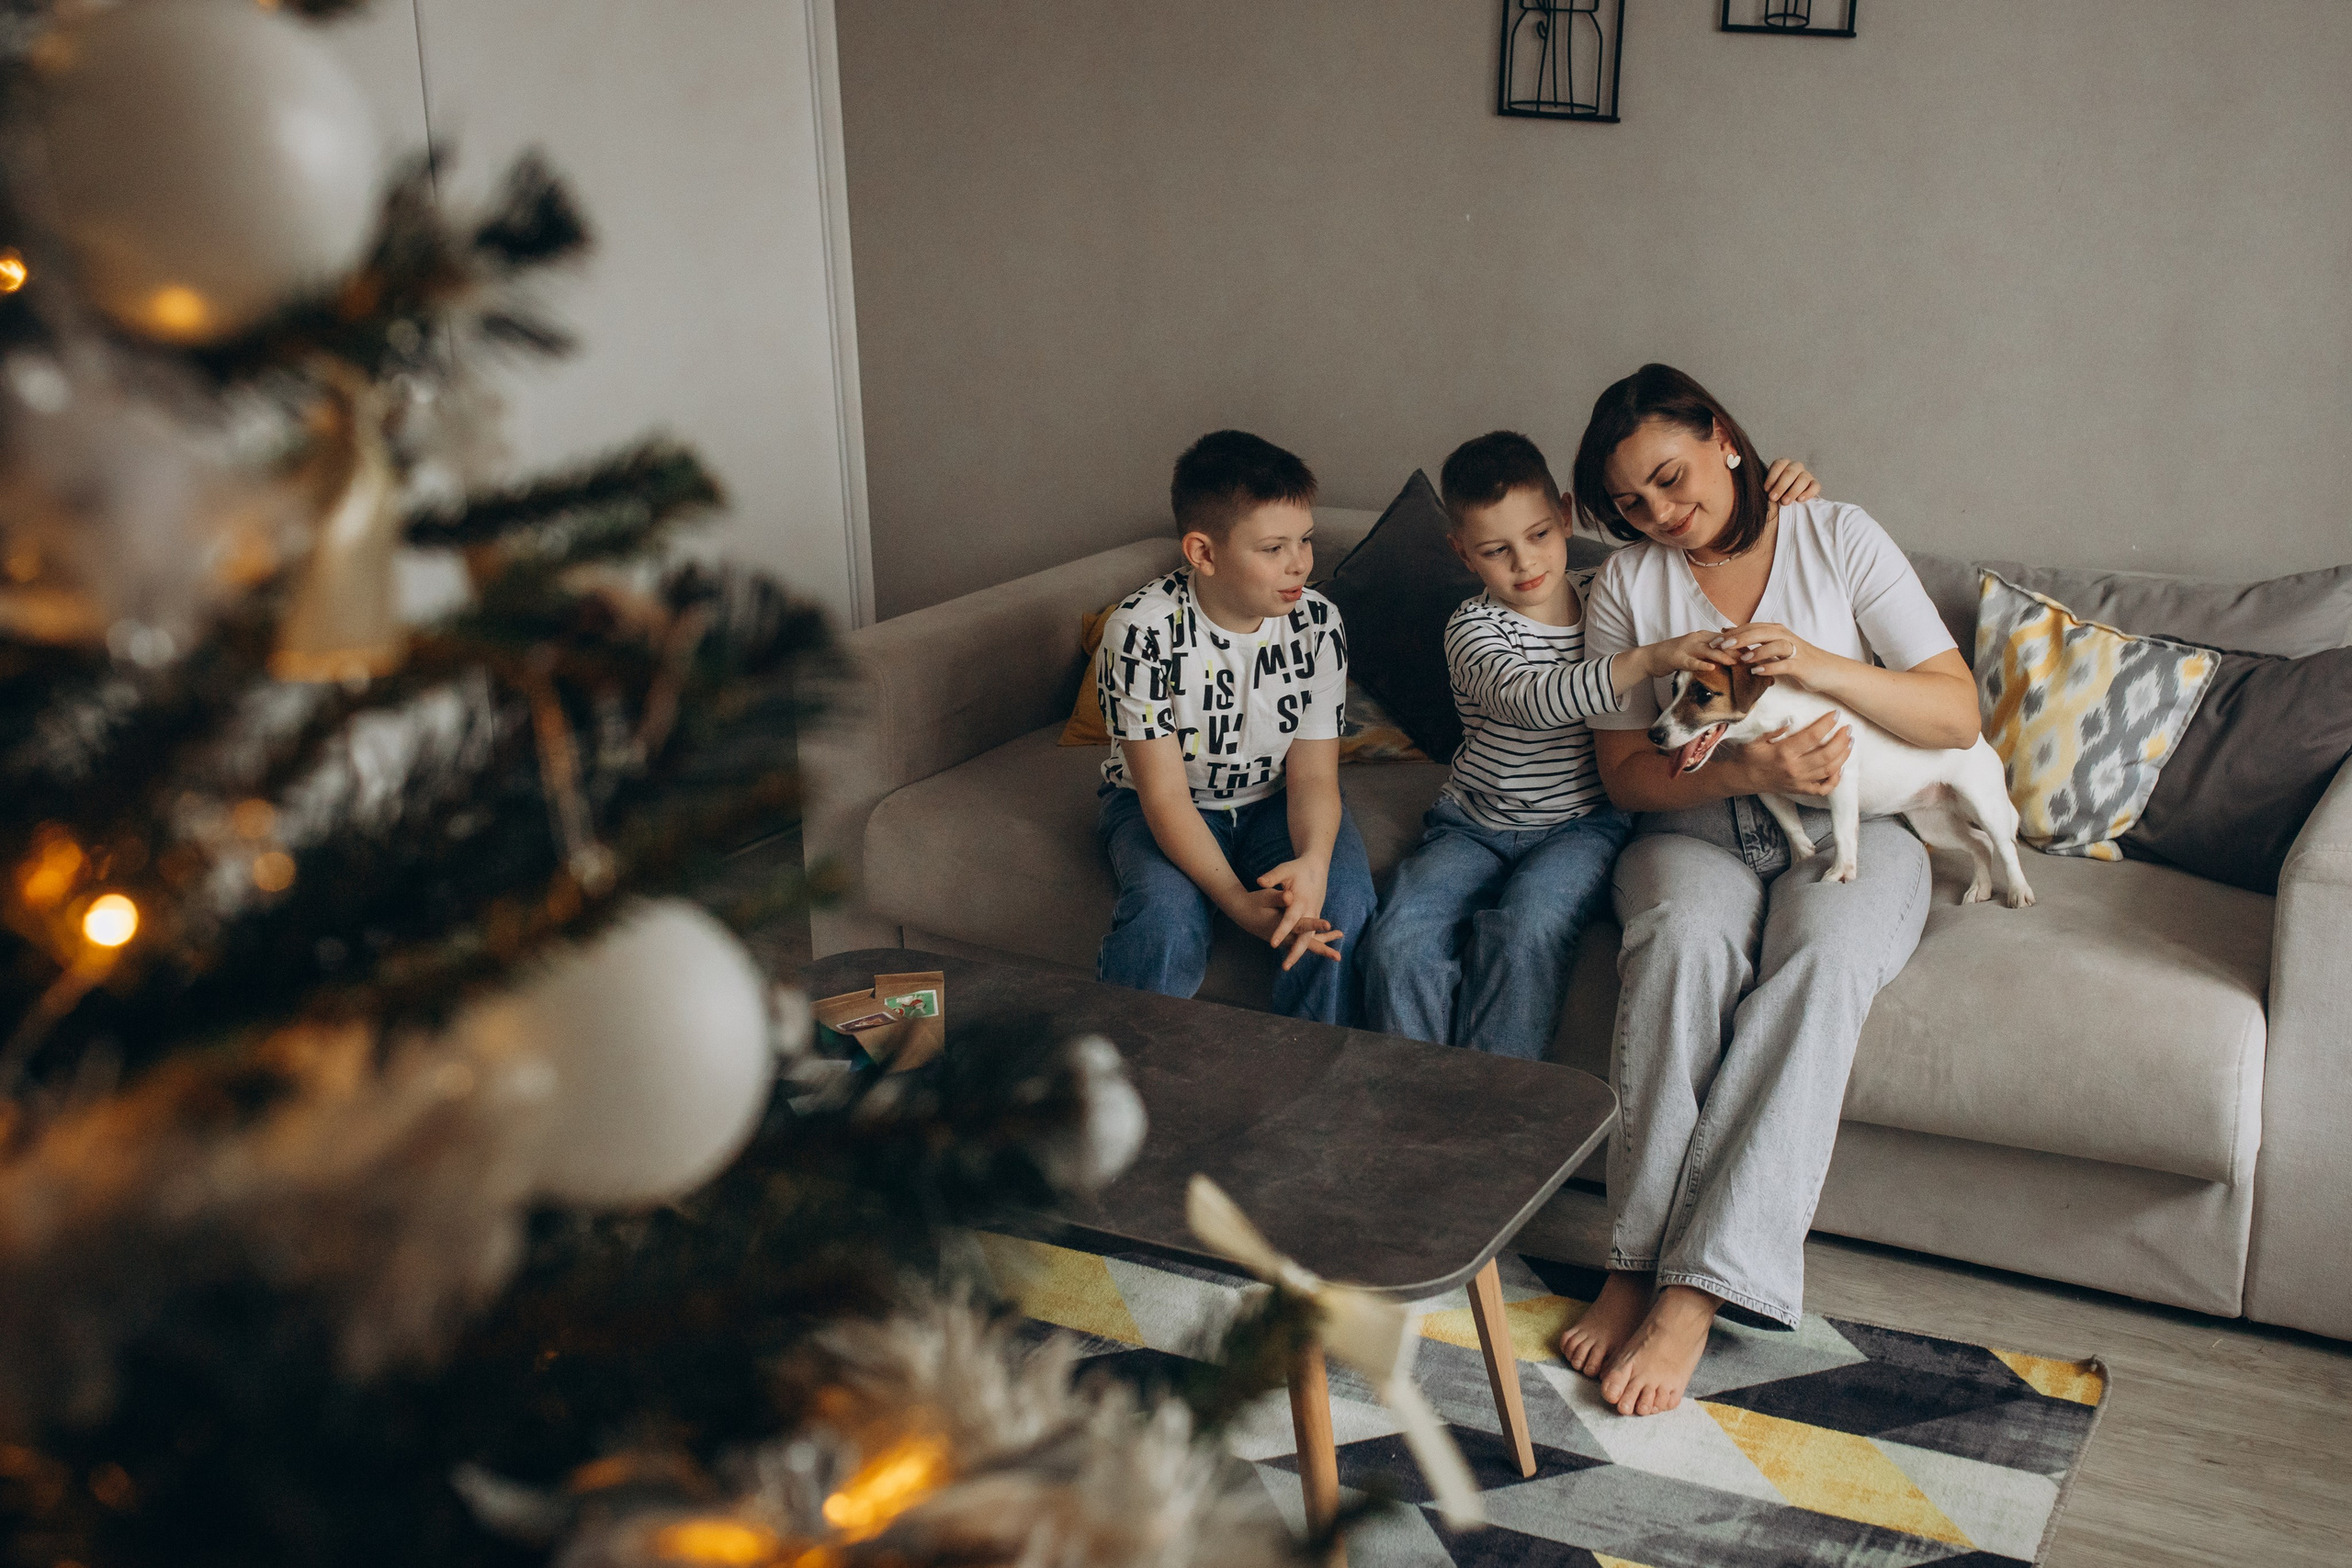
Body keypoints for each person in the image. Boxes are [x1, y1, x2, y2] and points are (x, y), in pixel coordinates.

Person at [1564, 364, 1979, 1417]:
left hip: (1858, 824)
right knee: (1677, 941)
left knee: (1823, 961)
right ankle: (1630, 1264)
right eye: (1630, 504)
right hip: (1694, 822)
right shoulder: (1626, 585)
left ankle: (1698, 1291)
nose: (1659, 514)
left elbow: (1953, 717)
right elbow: (1623, 778)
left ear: (1721, 437)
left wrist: (1815, 667)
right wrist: (1749, 770)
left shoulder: (1833, 533)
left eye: (1669, 478)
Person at [1358, 431, 1816, 1056]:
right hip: (1472, 824)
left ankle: (1496, 1112)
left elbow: (1700, 547)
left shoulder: (1609, 589)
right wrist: (1646, 658)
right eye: (1496, 550)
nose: (1525, 563)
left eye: (1540, 535)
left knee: (1526, 930)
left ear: (1566, 517)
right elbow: (1534, 699)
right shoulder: (1472, 629)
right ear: (1462, 554)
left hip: (1584, 826)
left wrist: (1778, 490)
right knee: (1398, 939)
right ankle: (1416, 1102)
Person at [1093, 430, 1376, 1024]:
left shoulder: (1319, 623)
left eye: (1305, 540)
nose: (1300, 562)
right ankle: (1120, 1074)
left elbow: (1315, 778)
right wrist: (1235, 901)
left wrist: (1315, 866)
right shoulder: (1140, 631)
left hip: (1275, 799)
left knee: (1340, 906)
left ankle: (1309, 1079)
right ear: (1203, 552)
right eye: (1274, 547)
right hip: (1166, 802)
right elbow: (1164, 795)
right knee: (1164, 919)